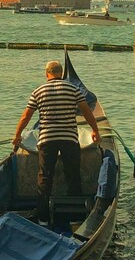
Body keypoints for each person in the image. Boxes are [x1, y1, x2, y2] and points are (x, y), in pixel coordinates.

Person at [12, 60, 100, 223]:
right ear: (61, 73)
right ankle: (75, 217)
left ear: (47, 74)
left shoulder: (38, 91)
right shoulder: (73, 88)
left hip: (47, 138)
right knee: (73, 175)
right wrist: (96, 130)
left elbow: (26, 116)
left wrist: (17, 135)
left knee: (45, 177)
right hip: (69, 138)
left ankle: (43, 218)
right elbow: (87, 111)